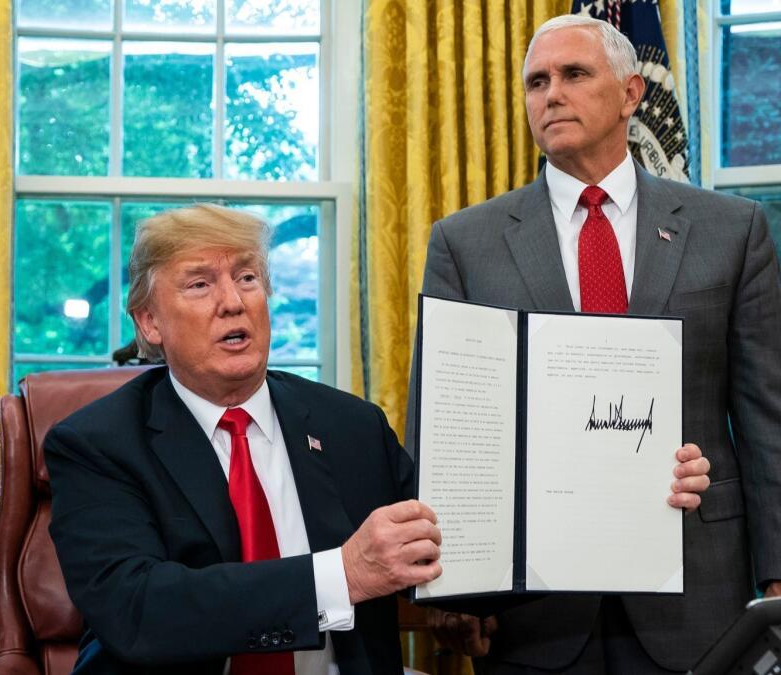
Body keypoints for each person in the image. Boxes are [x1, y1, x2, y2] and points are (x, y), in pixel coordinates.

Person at [44, 204, 708, 675]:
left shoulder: (348, 426)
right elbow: (140, 609)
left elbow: (468, 553)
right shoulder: (98, 443)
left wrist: (627, 495)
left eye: (247, 277)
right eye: (200, 283)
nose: (233, 301)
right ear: (149, 322)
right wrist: (343, 573)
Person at [410, 14, 775, 674]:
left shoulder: (732, 230)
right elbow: (447, 427)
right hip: (531, 608)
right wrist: (451, 585)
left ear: (632, 94)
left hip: (699, 591)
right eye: (536, 82)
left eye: (575, 75)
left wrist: (780, 575)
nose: (551, 94)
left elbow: (767, 418)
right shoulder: (465, 242)